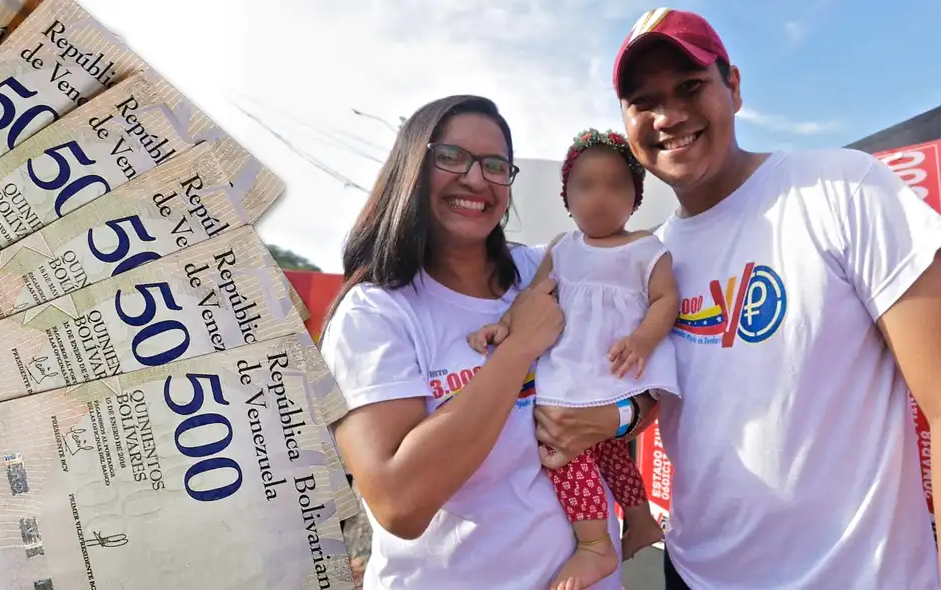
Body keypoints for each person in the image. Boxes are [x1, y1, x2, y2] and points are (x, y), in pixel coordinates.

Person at [532, 6, 941, 589]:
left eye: (690, 86)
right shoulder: (649, 262)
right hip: (693, 573)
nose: (668, 116)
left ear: (735, 87)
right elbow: (653, 395)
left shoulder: (842, 191)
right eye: (643, 101)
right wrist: (609, 417)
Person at [318, 95, 656, 589]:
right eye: (450, 157)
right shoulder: (375, 314)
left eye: (495, 166)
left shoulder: (550, 268)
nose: (476, 180)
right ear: (412, 165)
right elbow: (400, 504)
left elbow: (660, 360)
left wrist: (617, 416)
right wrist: (517, 349)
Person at [467, 128, 678, 589]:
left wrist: (643, 339)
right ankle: (628, 523)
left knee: (574, 454)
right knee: (587, 451)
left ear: (635, 198)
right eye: (586, 185)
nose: (600, 196)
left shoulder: (647, 248)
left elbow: (667, 301)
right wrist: (503, 327)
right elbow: (531, 297)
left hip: (613, 372)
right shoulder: (562, 248)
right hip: (567, 373)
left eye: (615, 185)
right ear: (567, 198)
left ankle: (597, 544)